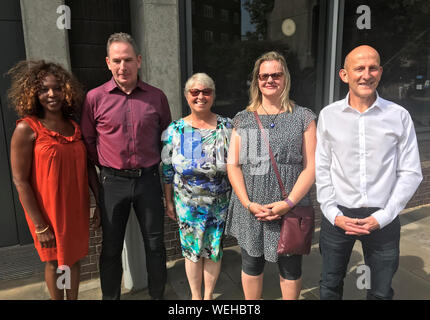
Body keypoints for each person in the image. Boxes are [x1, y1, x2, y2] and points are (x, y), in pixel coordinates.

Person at [316, 45, 423, 300]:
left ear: (380, 72)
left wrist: (384, 216)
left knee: (381, 292)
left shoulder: (398, 116)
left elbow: (410, 172)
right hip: (338, 217)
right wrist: (332, 213)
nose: (366, 74)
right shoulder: (329, 116)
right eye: (359, 68)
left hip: (383, 218)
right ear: (344, 75)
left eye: (372, 67)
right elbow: (322, 168)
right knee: (329, 287)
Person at [80, 32, 171, 300]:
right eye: (117, 60)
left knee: (155, 245)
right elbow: (88, 139)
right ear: (108, 62)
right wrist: (107, 164)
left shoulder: (156, 97)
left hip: (148, 181)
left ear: (139, 61)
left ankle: (158, 296)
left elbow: (166, 138)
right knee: (110, 248)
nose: (123, 66)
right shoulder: (94, 98)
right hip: (113, 183)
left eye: (128, 60)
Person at [225, 51, 317, 300]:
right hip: (252, 207)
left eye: (276, 74)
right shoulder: (243, 119)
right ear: (256, 80)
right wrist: (248, 204)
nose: (270, 80)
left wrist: (287, 204)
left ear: (285, 77)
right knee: (251, 264)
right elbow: (233, 165)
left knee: (290, 268)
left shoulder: (303, 117)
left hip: (290, 205)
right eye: (263, 75)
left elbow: (311, 167)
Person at [8, 60, 100, 300]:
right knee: (55, 262)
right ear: (33, 94)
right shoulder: (27, 129)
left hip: (76, 208)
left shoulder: (74, 127)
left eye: (57, 88)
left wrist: (99, 202)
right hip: (47, 212)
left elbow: (89, 168)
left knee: (73, 259)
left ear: (66, 90)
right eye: (43, 89)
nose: (51, 94)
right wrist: (39, 225)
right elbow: (20, 181)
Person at [161, 73, 232, 300]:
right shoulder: (175, 130)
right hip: (187, 204)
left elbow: (238, 165)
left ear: (213, 95)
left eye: (206, 92)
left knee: (213, 250)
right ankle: (195, 297)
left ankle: (208, 296)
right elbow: (166, 169)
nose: (201, 96)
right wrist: (168, 201)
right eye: (195, 92)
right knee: (192, 252)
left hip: (219, 203)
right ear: (186, 96)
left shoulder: (228, 127)